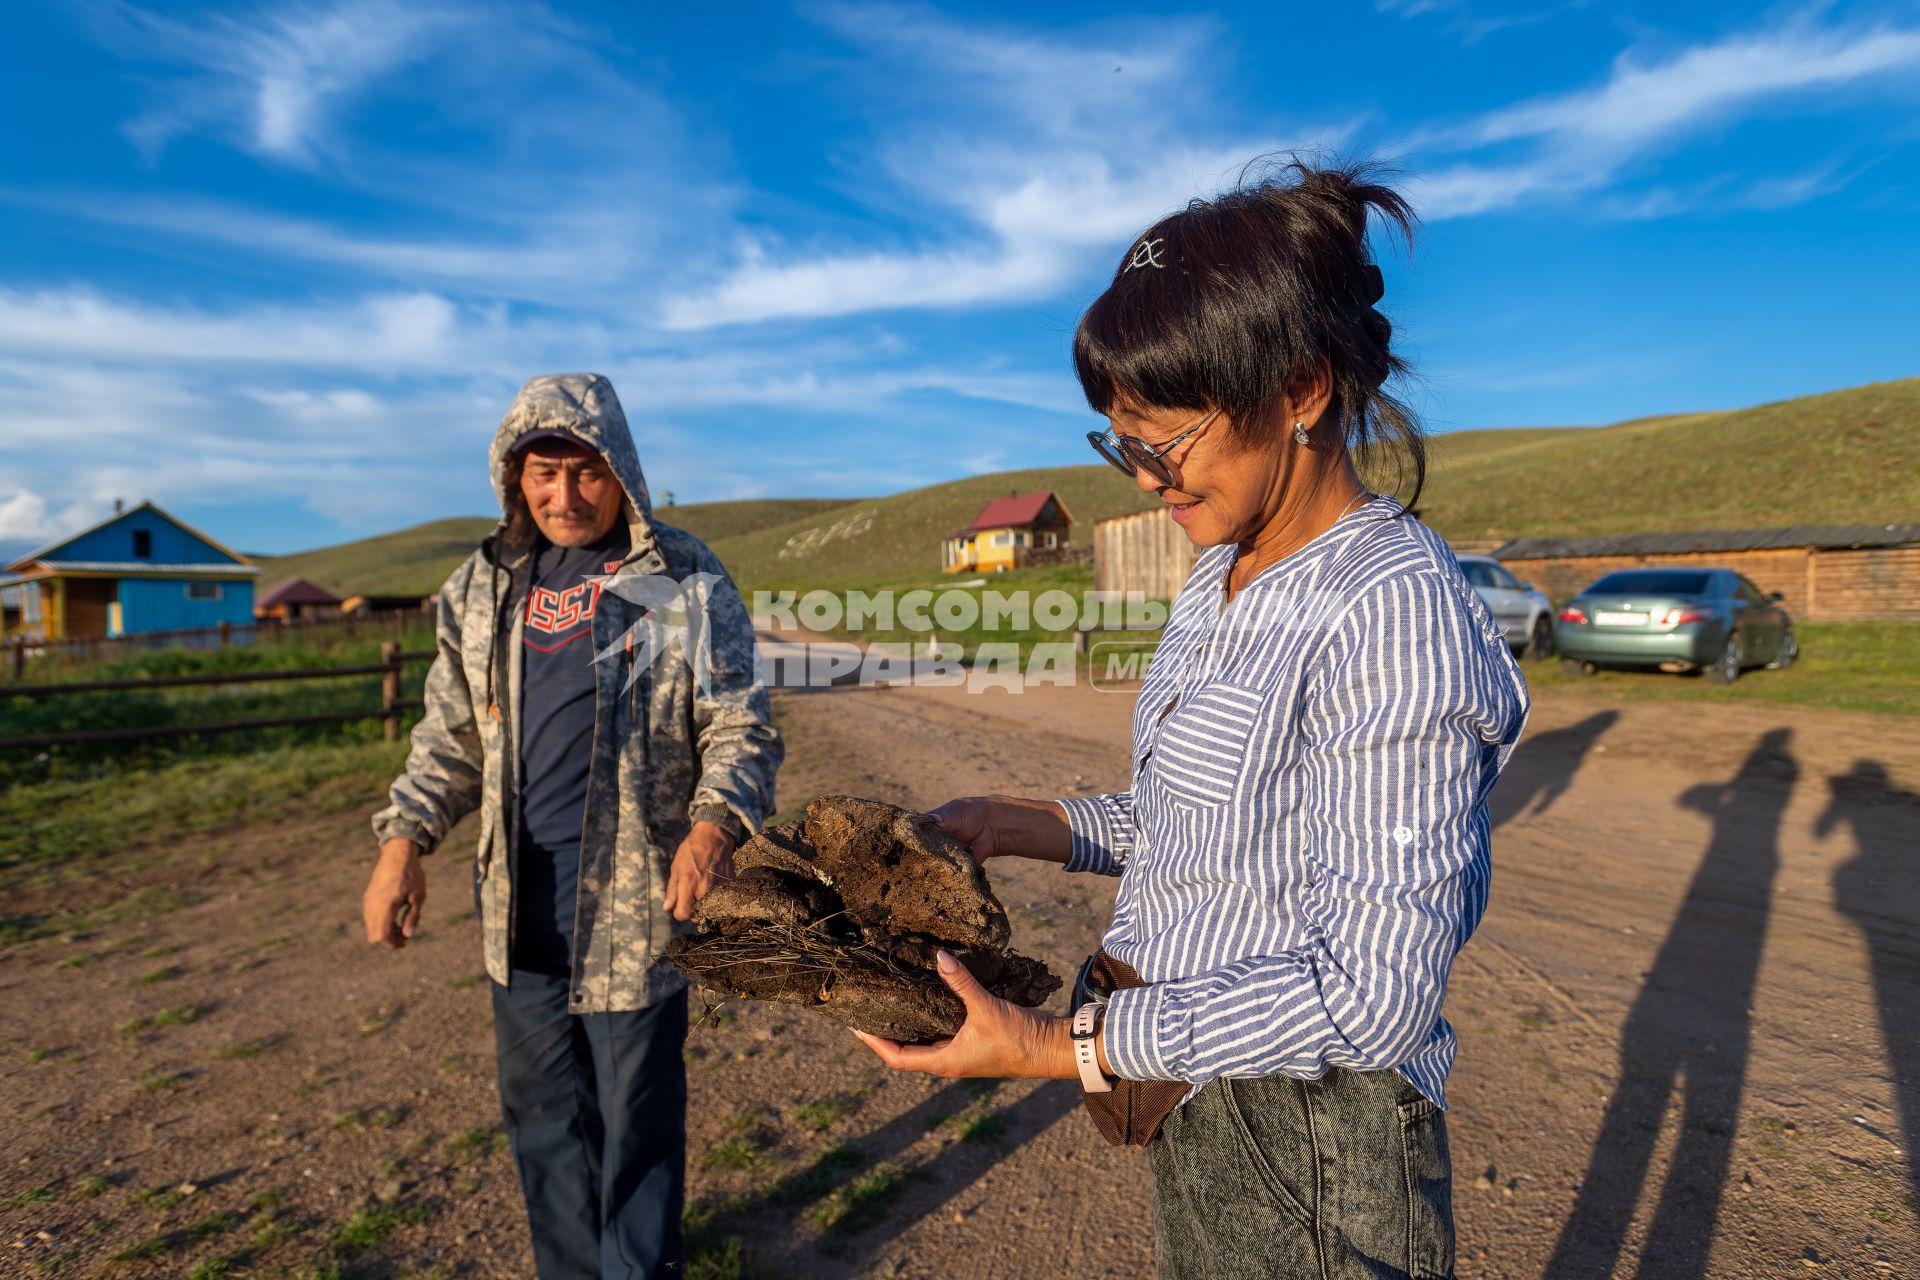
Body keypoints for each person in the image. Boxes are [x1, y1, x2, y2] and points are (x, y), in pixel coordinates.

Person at [853, 161, 1529, 1280]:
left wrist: (1050, 1047)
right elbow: (1215, 825)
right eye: (1122, 445)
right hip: (1195, 1098)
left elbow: (1372, 992)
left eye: (1166, 441)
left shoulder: (1390, 609)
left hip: (1321, 1143)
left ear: (1303, 387)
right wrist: (1022, 820)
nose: (1148, 479)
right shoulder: (1219, 569)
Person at [360, 372, 782, 1280]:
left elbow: (740, 717)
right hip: (519, 910)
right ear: (513, 478)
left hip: (636, 905)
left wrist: (715, 825)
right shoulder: (481, 587)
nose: (563, 495)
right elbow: (450, 733)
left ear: (620, 471)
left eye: (585, 472)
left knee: (636, 1125)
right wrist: (403, 845)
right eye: (542, 473)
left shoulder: (676, 576)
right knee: (543, 1123)